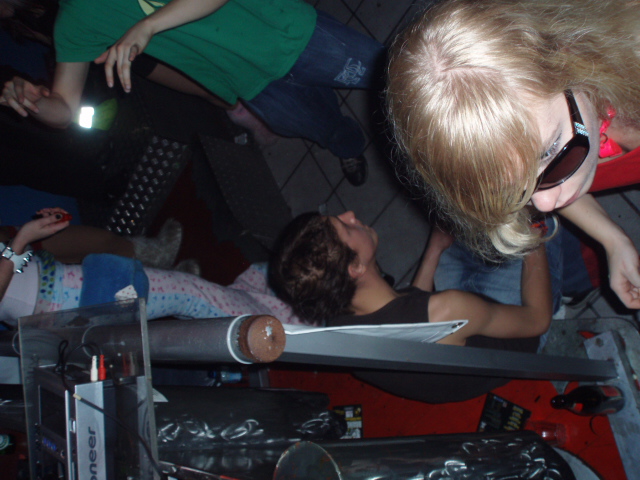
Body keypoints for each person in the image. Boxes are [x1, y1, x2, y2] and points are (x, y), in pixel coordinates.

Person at [386, 0, 640, 308]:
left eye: (549, 151)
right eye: (516, 192)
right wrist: (612, 239)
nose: (544, 204)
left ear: (566, 57)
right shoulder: (565, 146)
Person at [1, 0, 386, 186]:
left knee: (389, 75)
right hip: (247, 80)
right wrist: (34, 103)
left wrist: (148, 26)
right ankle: (348, 146)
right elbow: (64, 111)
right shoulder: (74, 22)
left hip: (286, 33)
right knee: (318, 125)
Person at [269, 210, 558, 402]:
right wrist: (532, 230)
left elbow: (412, 315)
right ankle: (570, 293)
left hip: (467, 319)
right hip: (521, 336)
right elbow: (537, 319)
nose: (351, 215)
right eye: (346, 227)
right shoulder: (449, 311)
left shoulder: (341, 328)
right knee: (541, 222)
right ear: (355, 267)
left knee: (470, 221)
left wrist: (435, 248)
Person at [0, 208, 299, 329]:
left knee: (184, 293)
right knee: (189, 294)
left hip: (54, 290)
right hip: (64, 298)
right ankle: (276, 326)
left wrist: (20, 246)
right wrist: (21, 240)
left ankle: (267, 314)